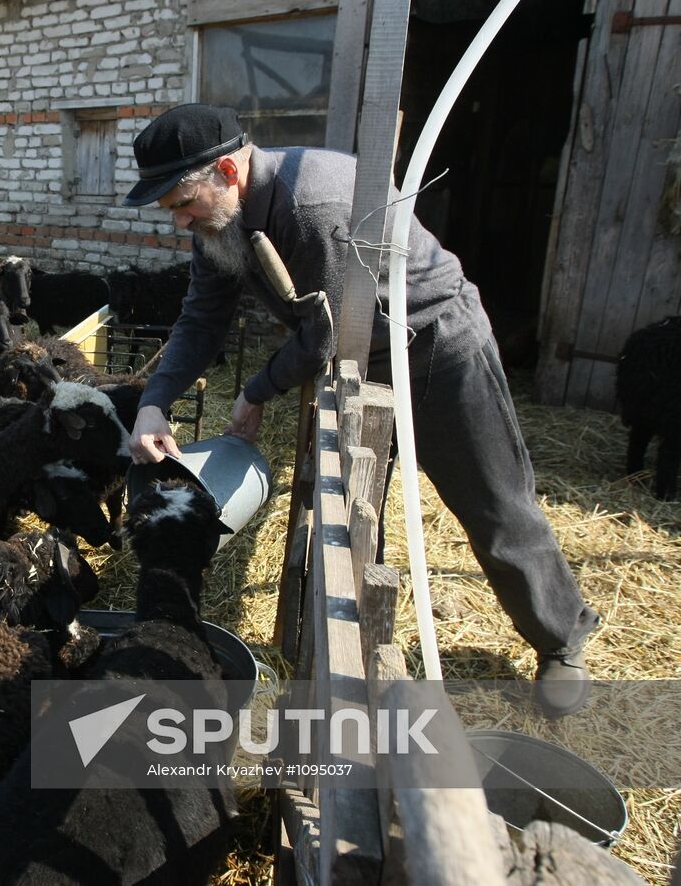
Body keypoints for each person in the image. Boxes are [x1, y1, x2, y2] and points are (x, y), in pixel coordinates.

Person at [122, 103, 598, 717]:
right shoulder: (216, 226)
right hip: (358, 358)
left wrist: (256, 389)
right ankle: (362, 630)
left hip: (433, 343)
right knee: (355, 503)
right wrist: (155, 403)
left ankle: (561, 638)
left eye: (182, 200)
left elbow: (323, 337)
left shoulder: (315, 207)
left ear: (227, 171)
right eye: (170, 209)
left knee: (494, 500)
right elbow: (200, 318)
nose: (180, 219)